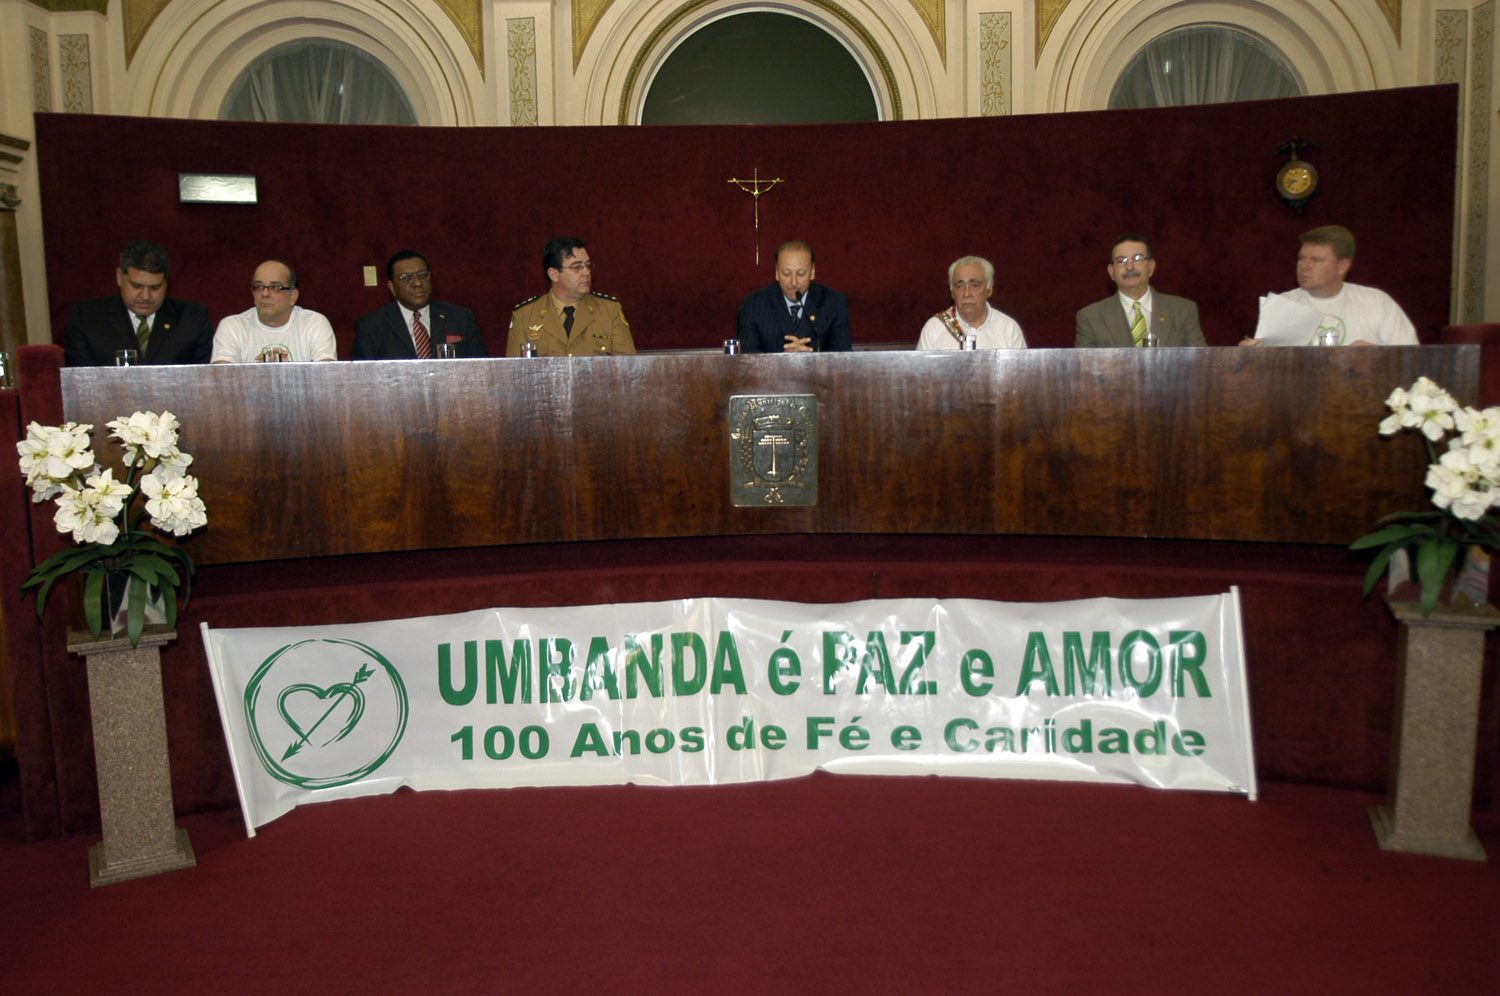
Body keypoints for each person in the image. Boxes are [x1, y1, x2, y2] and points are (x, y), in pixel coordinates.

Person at [1241, 224, 1418, 346]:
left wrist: (1376, 356)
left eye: (1316, 260)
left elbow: (1409, 359)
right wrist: (1247, 355)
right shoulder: (1283, 304)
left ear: (1342, 266)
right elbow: (1264, 365)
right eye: (1302, 258)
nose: (1304, 266)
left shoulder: (1377, 302)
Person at [63, 239, 214, 366]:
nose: (146, 296)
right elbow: (80, 383)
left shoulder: (193, 318)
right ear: (119, 277)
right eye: (136, 286)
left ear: (166, 282)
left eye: (155, 287)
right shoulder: (87, 317)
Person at [507, 237, 635, 356]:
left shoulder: (610, 311)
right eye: (577, 267)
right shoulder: (524, 316)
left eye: (588, 265)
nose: (586, 272)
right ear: (554, 274)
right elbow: (515, 376)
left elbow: (628, 370)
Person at [1075, 234, 1205, 347]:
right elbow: (1085, 371)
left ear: (1151, 267)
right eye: (1121, 261)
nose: (1130, 267)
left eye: (1137, 259)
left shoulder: (1182, 310)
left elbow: (1202, 364)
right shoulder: (1090, 318)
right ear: (1111, 271)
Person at [352, 251, 486, 359]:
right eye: (406, 277)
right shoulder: (371, 326)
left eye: (423, 275)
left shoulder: (460, 318)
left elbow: (480, 371)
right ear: (392, 287)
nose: (417, 283)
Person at [736, 240, 852, 353]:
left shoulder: (834, 303)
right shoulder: (753, 305)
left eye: (801, 273)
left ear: (812, 272)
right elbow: (747, 361)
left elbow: (842, 359)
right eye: (786, 273)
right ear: (777, 272)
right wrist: (785, 360)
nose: (794, 282)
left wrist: (810, 360)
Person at [211, 259, 337, 362]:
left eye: (275, 287)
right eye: (259, 287)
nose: (265, 293)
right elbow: (221, 383)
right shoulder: (232, 326)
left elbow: (326, 380)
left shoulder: (314, 323)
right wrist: (260, 374)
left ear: (293, 296)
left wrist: (286, 373)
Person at [916, 256, 1026, 349]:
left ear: (990, 289)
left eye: (975, 285)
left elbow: (1021, 373)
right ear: (952, 292)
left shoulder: (1008, 329)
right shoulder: (935, 328)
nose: (967, 293)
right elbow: (919, 374)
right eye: (959, 286)